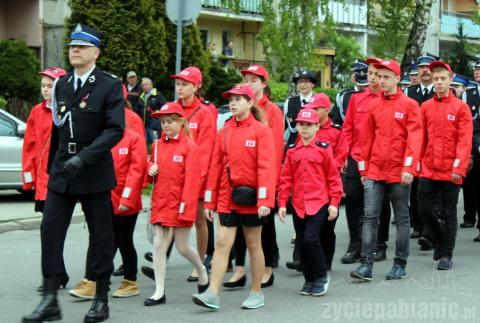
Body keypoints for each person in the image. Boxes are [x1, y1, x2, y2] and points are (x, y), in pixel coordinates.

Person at [22, 23, 125, 323]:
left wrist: (84, 158)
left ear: (96, 52)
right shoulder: (62, 85)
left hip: (92, 171)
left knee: (101, 236)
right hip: (63, 170)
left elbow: (115, 129)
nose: (74, 50)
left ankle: (101, 298)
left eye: (81, 46)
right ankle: (50, 298)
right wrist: (54, 168)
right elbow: (56, 129)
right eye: (71, 46)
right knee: (50, 231)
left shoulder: (108, 85)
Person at [192, 84, 276, 310]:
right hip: (226, 198)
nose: (233, 103)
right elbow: (215, 167)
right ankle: (212, 293)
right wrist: (209, 201)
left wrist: (265, 200)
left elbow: (266, 168)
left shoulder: (261, 131)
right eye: (231, 99)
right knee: (221, 244)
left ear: (250, 103)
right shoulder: (225, 131)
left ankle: (257, 292)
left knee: (253, 244)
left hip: (253, 201)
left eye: (239, 99)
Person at [349, 60, 422, 281]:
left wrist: (409, 167)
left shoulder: (409, 105)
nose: (381, 81)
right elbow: (366, 140)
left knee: (402, 218)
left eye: (386, 77)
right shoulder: (373, 105)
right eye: (379, 77)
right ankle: (365, 266)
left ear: (397, 79)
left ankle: (399, 264)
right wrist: (363, 170)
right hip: (375, 171)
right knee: (370, 217)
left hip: (399, 172)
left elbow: (415, 139)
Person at [145, 102, 209, 306]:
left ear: (181, 122)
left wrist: (185, 208)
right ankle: (159, 291)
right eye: (163, 122)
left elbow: (192, 183)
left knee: (182, 248)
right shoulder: (156, 146)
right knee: (158, 246)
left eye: (170, 121)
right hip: (161, 204)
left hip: (181, 205)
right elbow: (150, 176)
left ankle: (201, 269)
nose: (165, 125)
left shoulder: (190, 147)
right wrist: (150, 169)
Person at [224, 65, 282, 289]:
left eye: (253, 80)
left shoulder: (272, 112)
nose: (249, 83)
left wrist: (270, 186)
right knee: (239, 224)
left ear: (264, 84)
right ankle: (239, 269)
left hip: (263, 179)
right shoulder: (239, 111)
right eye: (246, 79)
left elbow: (274, 151)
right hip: (240, 180)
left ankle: (267, 268)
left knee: (264, 226)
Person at [278, 108, 343, 296]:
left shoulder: (324, 148)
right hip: (299, 205)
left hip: (319, 202)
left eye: (309, 125)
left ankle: (321, 275)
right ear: (297, 126)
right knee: (302, 243)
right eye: (301, 125)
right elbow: (286, 179)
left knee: (310, 239)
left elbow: (333, 177)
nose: (304, 128)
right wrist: (282, 203)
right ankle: (309, 279)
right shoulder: (291, 151)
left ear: (317, 127)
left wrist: (334, 202)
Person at [417, 61, 472, 270]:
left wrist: (459, 169)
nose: (438, 82)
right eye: (436, 79)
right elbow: (421, 138)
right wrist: (418, 164)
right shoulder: (426, 107)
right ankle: (440, 239)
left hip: (451, 170)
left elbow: (464, 141)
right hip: (429, 168)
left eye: (442, 79)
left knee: (449, 213)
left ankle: (446, 255)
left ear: (451, 80)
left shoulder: (461, 108)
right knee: (423, 209)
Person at [286, 93, 348, 272]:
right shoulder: (306, 128)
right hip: (309, 186)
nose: (312, 111)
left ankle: (326, 261)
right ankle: (301, 260)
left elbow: (342, 153)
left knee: (326, 229)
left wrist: (325, 168)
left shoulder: (336, 130)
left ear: (327, 110)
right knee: (304, 226)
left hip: (328, 184)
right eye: (311, 108)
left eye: (316, 109)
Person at [341, 58, 392, 264]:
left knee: (381, 202)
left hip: (380, 158)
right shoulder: (356, 99)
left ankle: (380, 244)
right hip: (357, 156)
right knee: (353, 198)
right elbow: (348, 129)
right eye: (371, 74)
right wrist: (344, 155)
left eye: (378, 75)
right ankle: (356, 243)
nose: (374, 78)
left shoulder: (390, 100)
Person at [22, 67, 68, 293]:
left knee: (49, 229)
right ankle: (58, 273)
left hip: (59, 180)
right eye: (43, 86)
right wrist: (28, 178)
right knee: (49, 230)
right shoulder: (36, 112)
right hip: (42, 182)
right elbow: (29, 146)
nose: (45, 90)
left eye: (50, 86)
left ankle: (55, 274)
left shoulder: (66, 111)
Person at [170, 66, 216, 282]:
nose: (180, 88)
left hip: (196, 177)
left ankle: (200, 262)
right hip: (173, 175)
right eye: (178, 84)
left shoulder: (205, 113)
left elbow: (206, 151)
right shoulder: (171, 110)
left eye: (185, 84)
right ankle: (161, 259)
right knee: (169, 219)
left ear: (196, 86)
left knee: (199, 221)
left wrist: (198, 179)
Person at [404, 53, 437, 247]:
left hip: (434, 147)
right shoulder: (410, 92)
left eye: (428, 67)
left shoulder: (440, 91)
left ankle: (429, 230)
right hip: (415, 147)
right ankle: (417, 224)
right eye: (422, 67)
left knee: (433, 191)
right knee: (415, 189)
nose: (425, 70)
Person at [461, 59, 480, 239]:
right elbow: (467, 122)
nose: (477, 71)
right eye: (475, 68)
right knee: (473, 183)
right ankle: (471, 217)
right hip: (475, 142)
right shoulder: (469, 94)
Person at [284, 70, 318, 147]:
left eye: (306, 82)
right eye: (299, 82)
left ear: (312, 84)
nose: (302, 85)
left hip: (313, 145)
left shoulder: (318, 100)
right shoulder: (289, 102)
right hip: (293, 146)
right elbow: (284, 126)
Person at [330, 59, 368, 125]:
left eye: (357, 73)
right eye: (353, 72)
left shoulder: (374, 95)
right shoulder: (342, 96)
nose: (354, 75)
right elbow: (336, 121)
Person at [136, 77, 166, 145]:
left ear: (151, 85)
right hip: (143, 126)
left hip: (154, 125)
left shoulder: (158, 95)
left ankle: (158, 155)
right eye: (143, 85)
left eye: (146, 84)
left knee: (156, 144)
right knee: (142, 144)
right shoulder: (141, 96)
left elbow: (164, 107)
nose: (144, 86)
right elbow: (138, 110)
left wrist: (158, 111)